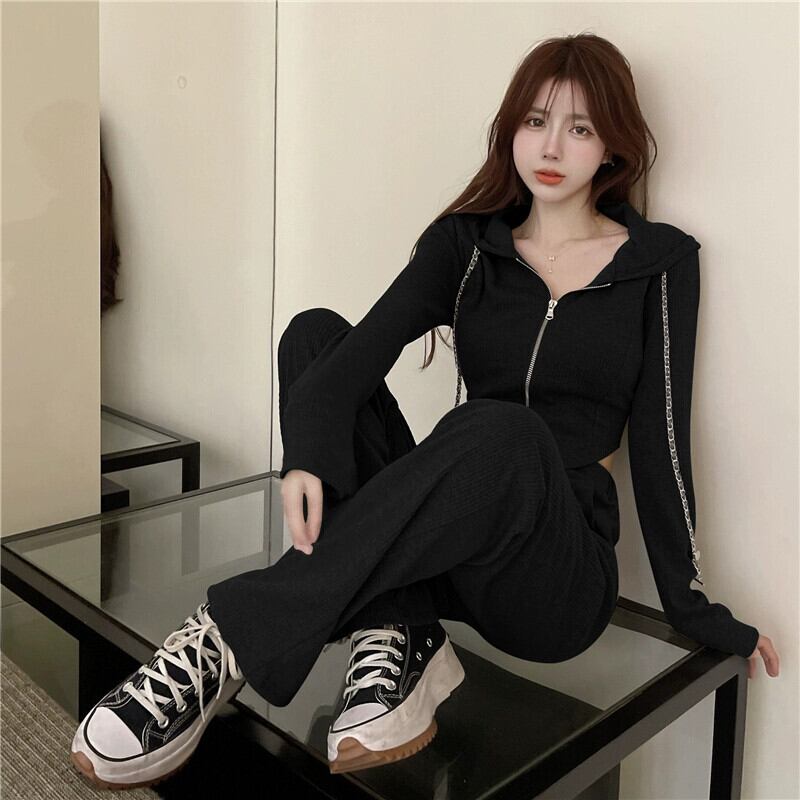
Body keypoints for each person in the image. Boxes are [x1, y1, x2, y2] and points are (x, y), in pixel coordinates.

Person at [70, 32, 780, 790]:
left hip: (555, 575)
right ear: (511, 129)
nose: (551, 146)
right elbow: (348, 363)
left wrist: (695, 607)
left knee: (503, 429)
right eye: (535, 120)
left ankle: (226, 638)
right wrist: (305, 453)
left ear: (611, 146)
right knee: (314, 336)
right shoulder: (467, 247)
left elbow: (664, 446)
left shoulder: (659, 264)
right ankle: (399, 627)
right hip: (456, 540)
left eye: (579, 127)